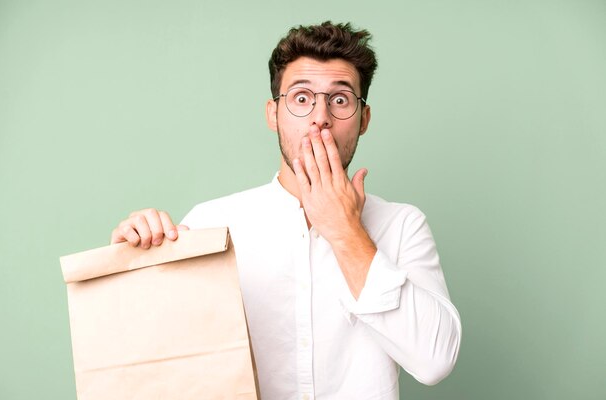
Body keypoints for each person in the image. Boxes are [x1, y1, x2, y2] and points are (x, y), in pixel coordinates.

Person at [111, 21, 461, 400]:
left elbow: (435, 360)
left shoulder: (403, 225)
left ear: (364, 120)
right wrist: (134, 264)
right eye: (301, 98)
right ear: (273, 114)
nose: (320, 116)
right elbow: (151, 358)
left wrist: (344, 230)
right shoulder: (210, 225)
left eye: (340, 100)